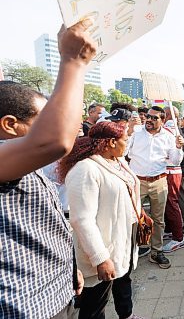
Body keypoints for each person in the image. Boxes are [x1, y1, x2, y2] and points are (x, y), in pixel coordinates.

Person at [0, 21, 96, 319]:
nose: (56, 122)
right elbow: (54, 141)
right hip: (25, 308)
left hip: (56, 292)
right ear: (9, 124)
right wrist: (74, 61)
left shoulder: (23, 162)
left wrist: (69, 268)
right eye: (42, 118)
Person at [60, 122, 143, 319]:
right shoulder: (86, 169)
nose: (128, 143)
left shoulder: (118, 161)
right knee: (96, 301)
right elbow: (82, 219)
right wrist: (100, 257)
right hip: (102, 246)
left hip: (124, 237)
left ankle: (127, 315)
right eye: (125, 139)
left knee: (124, 281)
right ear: (111, 142)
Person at [127, 106, 184, 268]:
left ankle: (156, 251)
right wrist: (129, 131)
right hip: (137, 181)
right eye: (148, 117)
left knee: (158, 219)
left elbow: (174, 161)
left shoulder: (168, 136)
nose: (149, 120)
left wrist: (178, 148)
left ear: (163, 120)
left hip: (159, 181)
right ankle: (132, 250)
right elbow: (123, 151)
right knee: (133, 217)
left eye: (154, 118)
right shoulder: (136, 133)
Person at [162, 106, 184, 253]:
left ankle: (178, 238)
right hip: (169, 170)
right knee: (168, 203)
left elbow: (175, 157)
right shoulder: (172, 129)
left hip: (171, 171)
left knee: (171, 203)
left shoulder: (169, 131)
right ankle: (172, 230)